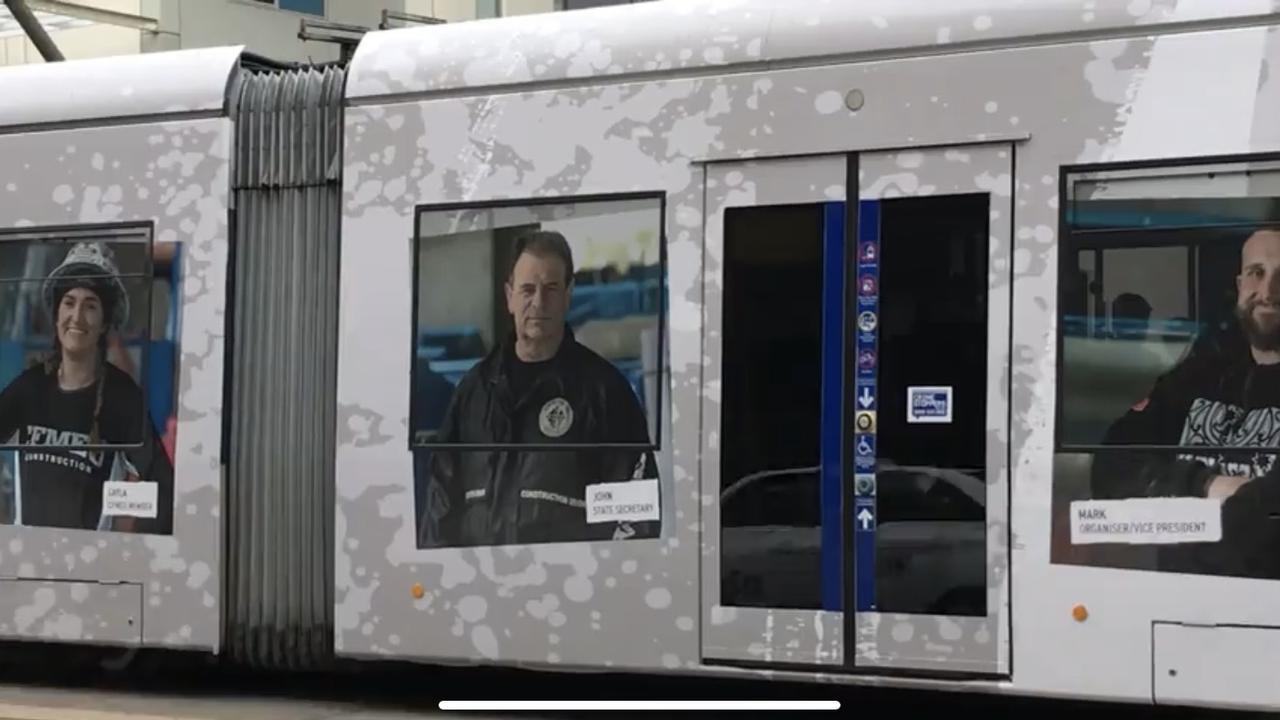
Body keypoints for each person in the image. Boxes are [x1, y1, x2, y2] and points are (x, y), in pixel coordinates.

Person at [418, 230, 659, 548]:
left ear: (569, 294)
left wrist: (596, 581)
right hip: (478, 588)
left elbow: (634, 513)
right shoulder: (473, 392)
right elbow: (440, 505)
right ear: (510, 297)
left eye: (551, 289)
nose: (539, 302)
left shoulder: (605, 392)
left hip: (570, 588)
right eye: (528, 289)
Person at [1090, 227, 1280, 578]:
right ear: (1240, 286)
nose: (1268, 292)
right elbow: (1111, 466)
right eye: (1257, 273)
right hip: (1174, 600)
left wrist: (1176, 495)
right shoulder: (1199, 375)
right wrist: (1206, 485)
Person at [0, 241, 173, 534]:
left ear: (105, 322)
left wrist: (121, 545)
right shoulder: (29, 387)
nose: (77, 317)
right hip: (26, 563)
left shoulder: (122, 397)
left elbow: (157, 488)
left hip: (90, 568)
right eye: (69, 303)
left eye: (90, 306)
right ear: (56, 315)